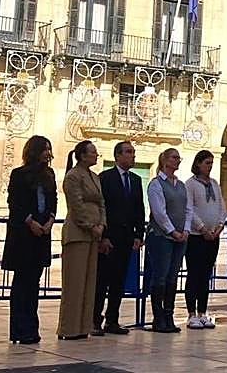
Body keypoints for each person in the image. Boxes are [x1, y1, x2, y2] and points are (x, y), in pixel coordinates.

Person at [2, 136, 56, 345]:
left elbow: (53, 200)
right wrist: (30, 222)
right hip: (24, 235)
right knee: (21, 284)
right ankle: (19, 329)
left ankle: (32, 327)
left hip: (42, 233)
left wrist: (50, 220)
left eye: (49, 149)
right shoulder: (19, 174)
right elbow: (15, 203)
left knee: (34, 283)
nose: (46, 153)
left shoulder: (49, 175)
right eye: (43, 149)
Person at [95, 140, 144, 335]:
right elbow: (102, 208)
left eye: (133, 152)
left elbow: (139, 209)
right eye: (128, 152)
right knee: (102, 280)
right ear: (117, 156)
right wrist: (103, 235)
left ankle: (112, 319)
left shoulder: (135, 180)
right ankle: (95, 319)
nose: (132, 155)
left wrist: (138, 234)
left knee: (119, 281)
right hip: (110, 237)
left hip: (126, 238)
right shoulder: (105, 178)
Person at [58, 140, 105, 340]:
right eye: (93, 152)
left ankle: (84, 325)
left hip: (94, 234)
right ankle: (69, 327)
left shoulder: (94, 176)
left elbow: (102, 202)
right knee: (74, 283)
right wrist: (90, 225)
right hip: (78, 233)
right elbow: (76, 204)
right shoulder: (73, 176)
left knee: (88, 282)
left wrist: (102, 224)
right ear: (83, 155)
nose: (96, 156)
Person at [145, 147, 191, 333]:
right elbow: (159, 212)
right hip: (161, 236)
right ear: (164, 161)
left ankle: (169, 314)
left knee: (173, 276)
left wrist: (186, 229)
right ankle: (158, 317)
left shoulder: (181, 185)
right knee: (161, 275)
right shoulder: (156, 184)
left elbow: (188, 208)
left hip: (180, 236)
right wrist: (172, 231)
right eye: (174, 157)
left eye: (179, 158)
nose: (177, 160)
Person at [184, 149, 226, 329]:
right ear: (198, 163)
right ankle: (191, 313)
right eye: (207, 163)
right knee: (194, 273)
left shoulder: (215, 184)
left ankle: (202, 312)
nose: (209, 166)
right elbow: (189, 208)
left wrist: (219, 225)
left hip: (213, 236)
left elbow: (221, 206)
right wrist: (201, 228)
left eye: (211, 163)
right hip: (196, 236)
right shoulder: (191, 184)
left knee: (206, 275)